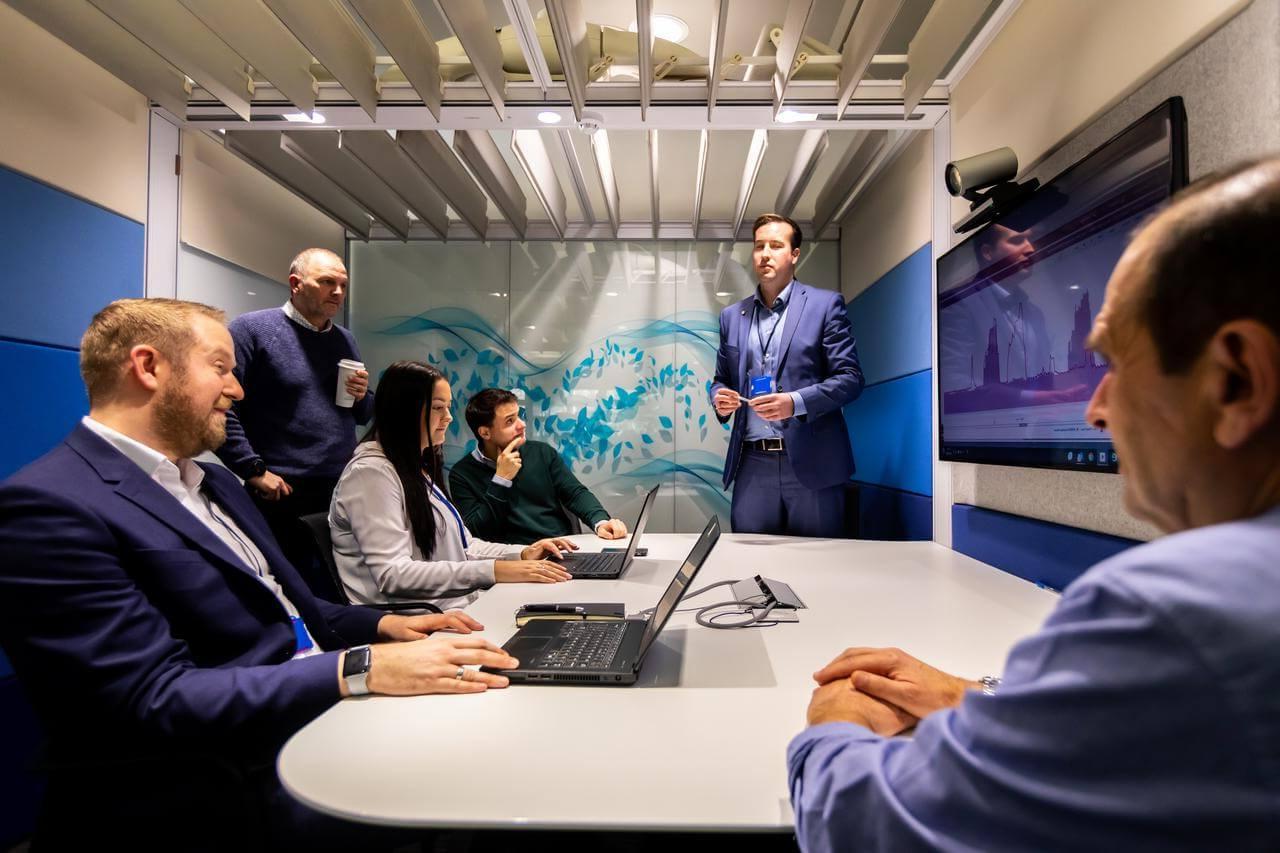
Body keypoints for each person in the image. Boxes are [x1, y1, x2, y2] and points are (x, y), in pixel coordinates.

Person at [787, 158, 1280, 851]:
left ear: (1237, 380)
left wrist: (831, 725)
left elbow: (872, 822)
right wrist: (981, 699)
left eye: (1113, 362)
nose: (1095, 406)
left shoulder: (1181, 612)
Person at [0, 299, 519, 849]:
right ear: (148, 367)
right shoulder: (48, 506)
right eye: (221, 368)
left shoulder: (217, 484)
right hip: (220, 786)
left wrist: (391, 628)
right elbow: (147, 699)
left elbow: (304, 613)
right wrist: (363, 668)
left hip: (312, 715)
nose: (238, 390)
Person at [331, 365, 577, 611]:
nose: (448, 417)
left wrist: (523, 554)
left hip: (454, 607)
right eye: (439, 407)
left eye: (448, 407)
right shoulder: (370, 475)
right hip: (420, 621)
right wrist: (495, 570)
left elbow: (465, 547)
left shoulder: (413, 469)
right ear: (406, 411)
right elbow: (393, 574)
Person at [214, 248, 372, 598]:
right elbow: (221, 405)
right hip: (280, 489)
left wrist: (363, 395)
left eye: (343, 285)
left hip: (338, 487)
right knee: (288, 591)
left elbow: (361, 415)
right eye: (327, 282)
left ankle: (343, 651)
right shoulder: (252, 330)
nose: (338, 292)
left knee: (339, 590)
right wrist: (252, 469)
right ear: (295, 285)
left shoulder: (344, 339)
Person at [709, 213, 864, 536]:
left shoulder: (825, 305)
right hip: (752, 463)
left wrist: (795, 402)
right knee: (748, 563)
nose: (765, 253)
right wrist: (718, 398)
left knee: (818, 565)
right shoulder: (731, 316)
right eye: (759, 246)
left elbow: (850, 378)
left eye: (776, 245)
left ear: (795, 254)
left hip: (813, 461)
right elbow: (721, 379)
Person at [449, 387, 629, 543]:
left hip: (562, 547)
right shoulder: (462, 474)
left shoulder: (542, 453)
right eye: (510, 421)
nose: (521, 425)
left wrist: (601, 522)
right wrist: (501, 479)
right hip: (514, 560)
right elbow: (476, 530)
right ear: (485, 433)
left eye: (518, 416)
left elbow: (575, 493)